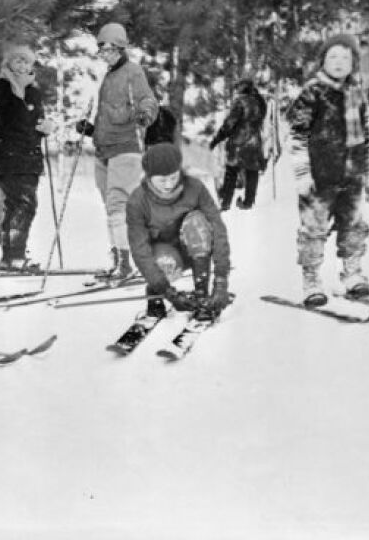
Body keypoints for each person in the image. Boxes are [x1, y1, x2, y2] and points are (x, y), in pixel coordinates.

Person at [286, 33, 369, 307]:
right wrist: (302, 175)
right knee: (313, 231)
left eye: (345, 57)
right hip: (319, 178)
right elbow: (297, 136)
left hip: (352, 176)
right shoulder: (312, 93)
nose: (339, 62)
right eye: (333, 57)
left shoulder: (357, 94)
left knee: (353, 226)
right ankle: (312, 279)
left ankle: (352, 273)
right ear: (323, 61)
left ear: (353, 63)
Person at [117, 143, 231, 350]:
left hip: (194, 249)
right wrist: (167, 292)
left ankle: (201, 297)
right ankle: (155, 295)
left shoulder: (195, 188)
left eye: (173, 177)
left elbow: (218, 230)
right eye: (162, 180)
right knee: (162, 261)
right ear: (149, 177)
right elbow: (140, 250)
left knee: (198, 222)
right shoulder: (137, 201)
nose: (169, 184)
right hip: (164, 256)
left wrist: (221, 280)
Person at [77, 23, 159, 282]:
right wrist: (90, 130)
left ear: (121, 47)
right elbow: (109, 116)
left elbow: (147, 99)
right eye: (102, 50)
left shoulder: (132, 72)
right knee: (110, 208)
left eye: (110, 49)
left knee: (118, 204)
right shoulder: (109, 76)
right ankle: (118, 260)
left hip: (125, 148)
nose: (106, 54)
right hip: (104, 150)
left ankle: (128, 264)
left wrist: (145, 114)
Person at [0, 44, 57, 272]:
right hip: (9, 156)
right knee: (24, 204)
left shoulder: (34, 91)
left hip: (31, 157)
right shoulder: (0, 89)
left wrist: (46, 126)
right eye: (18, 61)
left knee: (19, 205)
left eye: (26, 62)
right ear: (8, 64)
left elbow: (39, 119)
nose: (22, 66)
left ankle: (11, 256)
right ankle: (15, 256)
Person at [209, 78, 268, 210]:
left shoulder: (240, 102)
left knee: (231, 171)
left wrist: (217, 139)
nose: (237, 90)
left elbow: (229, 124)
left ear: (243, 88)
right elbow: (263, 116)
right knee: (252, 171)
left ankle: (225, 202)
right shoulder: (259, 102)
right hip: (254, 142)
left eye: (238, 87)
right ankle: (248, 202)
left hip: (238, 142)